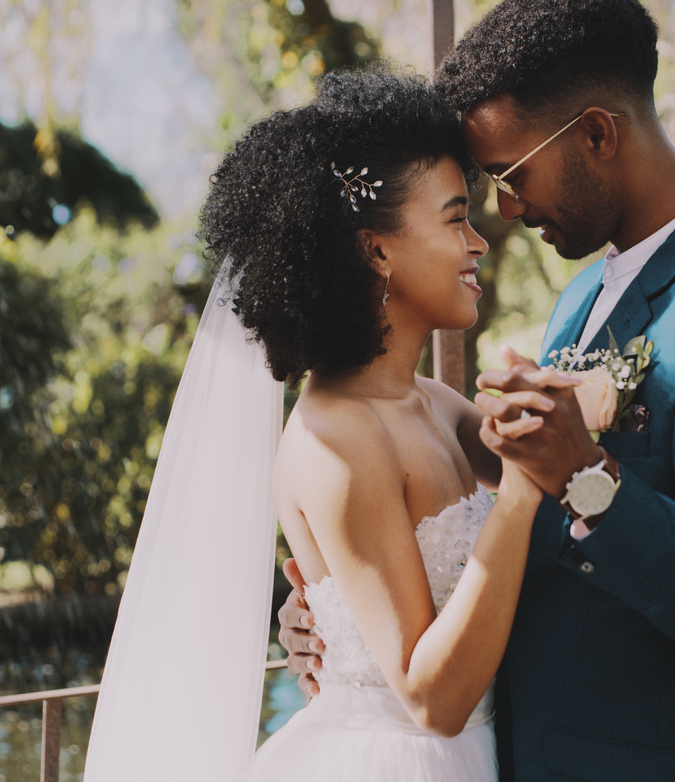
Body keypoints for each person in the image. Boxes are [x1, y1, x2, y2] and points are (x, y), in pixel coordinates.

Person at [278, 1, 675, 780]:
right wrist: (348, 629)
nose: (504, 209)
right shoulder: (578, 301)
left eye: (510, 174)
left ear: (597, 134)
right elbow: (522, 539)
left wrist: (590, 480)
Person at [83, 67, 569, 782]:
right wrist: (520, 493)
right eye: (453, 216)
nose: (478, 243)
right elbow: (430, 697)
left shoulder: (432, 403)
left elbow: (561, 471)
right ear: (376, 250)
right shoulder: (333, 441)